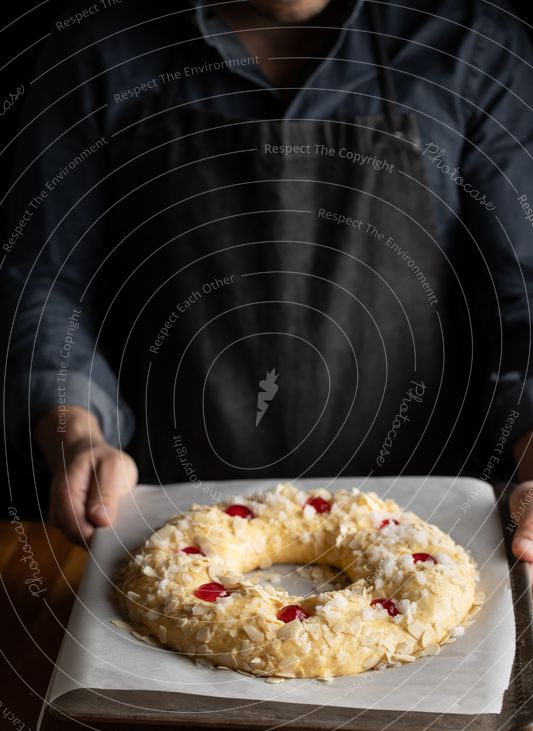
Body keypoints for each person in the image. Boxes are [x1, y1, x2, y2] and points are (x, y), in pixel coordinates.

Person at [3, 0, 533, 574]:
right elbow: (48, 286)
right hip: (162, 532)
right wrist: (78, 434)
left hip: (428, 536)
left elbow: (522, 299)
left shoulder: (471, 47)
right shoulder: (98, 49)